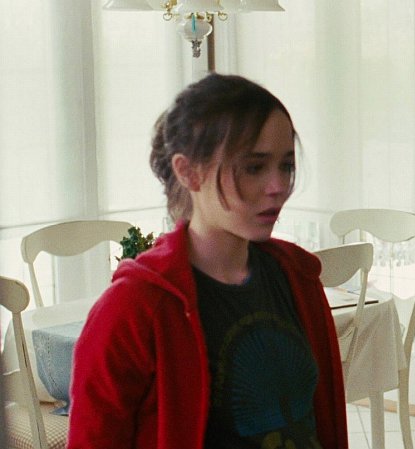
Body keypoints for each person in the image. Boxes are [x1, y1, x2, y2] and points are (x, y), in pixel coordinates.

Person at [68, 74, 348, 449]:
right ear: (188, 172)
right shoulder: (134, 307)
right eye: (254, 167)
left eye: (286, 165)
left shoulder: (297, 277)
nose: (278, 186)